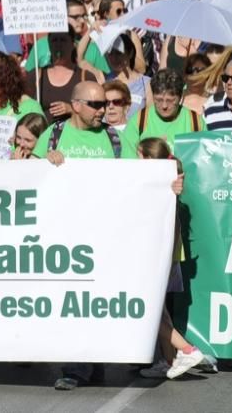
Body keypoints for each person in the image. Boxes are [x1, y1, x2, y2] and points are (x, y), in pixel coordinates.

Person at [134, 137, 210, 381]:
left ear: (148, 158)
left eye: (139, 157)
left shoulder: (162, 186)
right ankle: (168, 361)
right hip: (166, 256)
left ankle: (187, 350)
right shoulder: (165, 183)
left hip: (159, 256)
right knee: (161, 310)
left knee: (153, 311)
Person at [120, 69, 204, 154]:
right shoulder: (138, 121)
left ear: (180, 97)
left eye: (170, 100)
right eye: (159, 100)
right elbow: (128, 159)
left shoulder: (195, 122)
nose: (164, 106)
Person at [34, 81, 121, 163]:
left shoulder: (114, 136)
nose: (102, 110)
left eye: (104, 104)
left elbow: (133, 171)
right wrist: (46, 160)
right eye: (96, 105)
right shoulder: (54, 133)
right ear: (76, 105)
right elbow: (31, 170)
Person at [26, 31, 99, 124]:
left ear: (73, 44)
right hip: (43, 135)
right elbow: (24, 108)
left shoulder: (85, 77)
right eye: (54, 40)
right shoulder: (36, 75)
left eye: (63, 40)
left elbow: (96, 111)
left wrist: (72, 110)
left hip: (74, 136)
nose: (58, 44)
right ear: (48, 44)